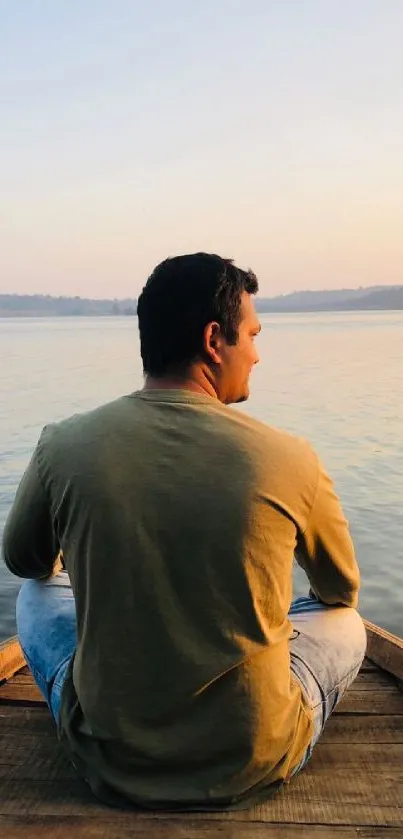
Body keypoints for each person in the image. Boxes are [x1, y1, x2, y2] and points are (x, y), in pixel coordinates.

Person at [2, 253, 366, 810]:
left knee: (38, 593)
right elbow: (340, 591)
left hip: (109, 756)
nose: (257, 354)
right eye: (252, 335)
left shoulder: (64, 444)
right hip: (255, 756)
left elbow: (26, 562)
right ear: (214, 338)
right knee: (347, 624)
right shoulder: (290, 456)